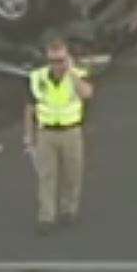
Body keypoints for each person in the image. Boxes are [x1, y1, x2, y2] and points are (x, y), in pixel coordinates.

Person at [23, 38, 95, 234]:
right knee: (46, 176)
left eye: (61, 60)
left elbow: (87, 93)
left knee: (72, 174)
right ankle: (46, 216)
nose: (57, 65)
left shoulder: (79, 74)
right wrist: (29, 135)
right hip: (46, 133)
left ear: (68, 58)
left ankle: (69, 210)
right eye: (53, 60)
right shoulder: (38, 77)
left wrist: (71, 73)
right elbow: (30, 107)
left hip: (71, 131)